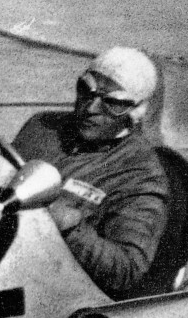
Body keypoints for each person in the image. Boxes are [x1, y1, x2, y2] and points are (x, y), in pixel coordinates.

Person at [11, 47, 170, 299]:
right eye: (86, 90)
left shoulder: (140, 175)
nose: (91, 108)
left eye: (113, 103)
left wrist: (69, 227)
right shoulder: (42, 127)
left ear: (135, 113)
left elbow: (126, 269)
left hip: (48, 287)